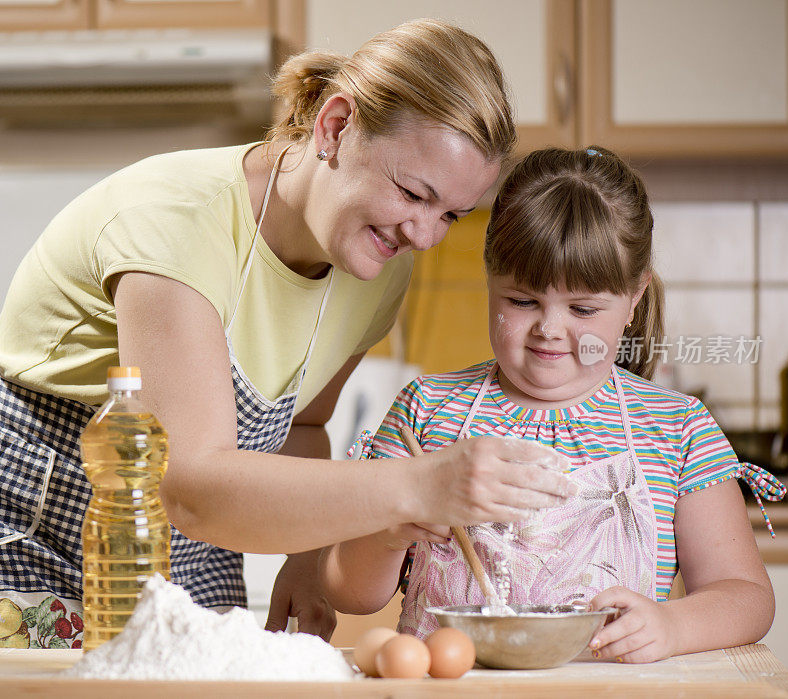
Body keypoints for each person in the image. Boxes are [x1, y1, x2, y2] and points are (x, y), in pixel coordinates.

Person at [0, 19, 579, 648]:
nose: (426, 235)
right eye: (413, 193)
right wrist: (420, 485)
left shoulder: (377, 269)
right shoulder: (178, 222)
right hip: (36, 555)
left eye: (450, 214)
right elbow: (192, 486)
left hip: (192, 566)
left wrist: (305, 557)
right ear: (334, 126)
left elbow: (303, 427)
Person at [319, 146, 787, 663]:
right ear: (489, 281)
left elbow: (746, 596)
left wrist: (673, 625)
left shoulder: (678, 430)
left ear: (634, 298)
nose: (549, 329)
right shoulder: (425, 412)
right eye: (522, 301)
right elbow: (348, 591)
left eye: (583, 308)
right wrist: (388, 532)